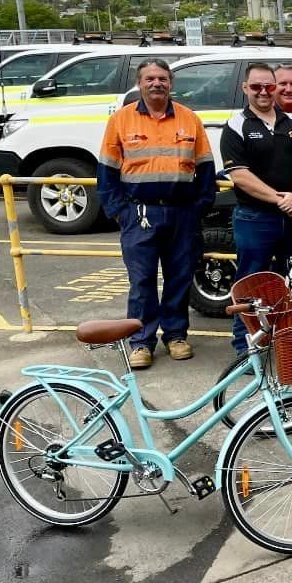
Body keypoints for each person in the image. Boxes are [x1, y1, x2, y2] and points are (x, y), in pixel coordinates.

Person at [97, 58, 216, 369]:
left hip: (181, 214)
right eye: (150, 78)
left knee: (179, 279)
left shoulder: (190, 119)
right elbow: (107, 173)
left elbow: (205, 168)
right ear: (140, 83)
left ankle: (176, 336)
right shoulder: (121, 121)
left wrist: (199, 206)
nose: (156, 83)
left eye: (162, 78)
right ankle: (141, 341)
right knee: (142, 281)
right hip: (139, 215)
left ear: (171, 83)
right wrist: (119, 211)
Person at [222, 62, 292, 354]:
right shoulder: (236, 126)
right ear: (245, 88)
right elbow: (240, 175)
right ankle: (246, 345)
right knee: (251, 283)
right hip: (254, 218)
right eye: (257, 87)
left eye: (269, 86)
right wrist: (279, 199)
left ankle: (290, 342)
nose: (264, 92)